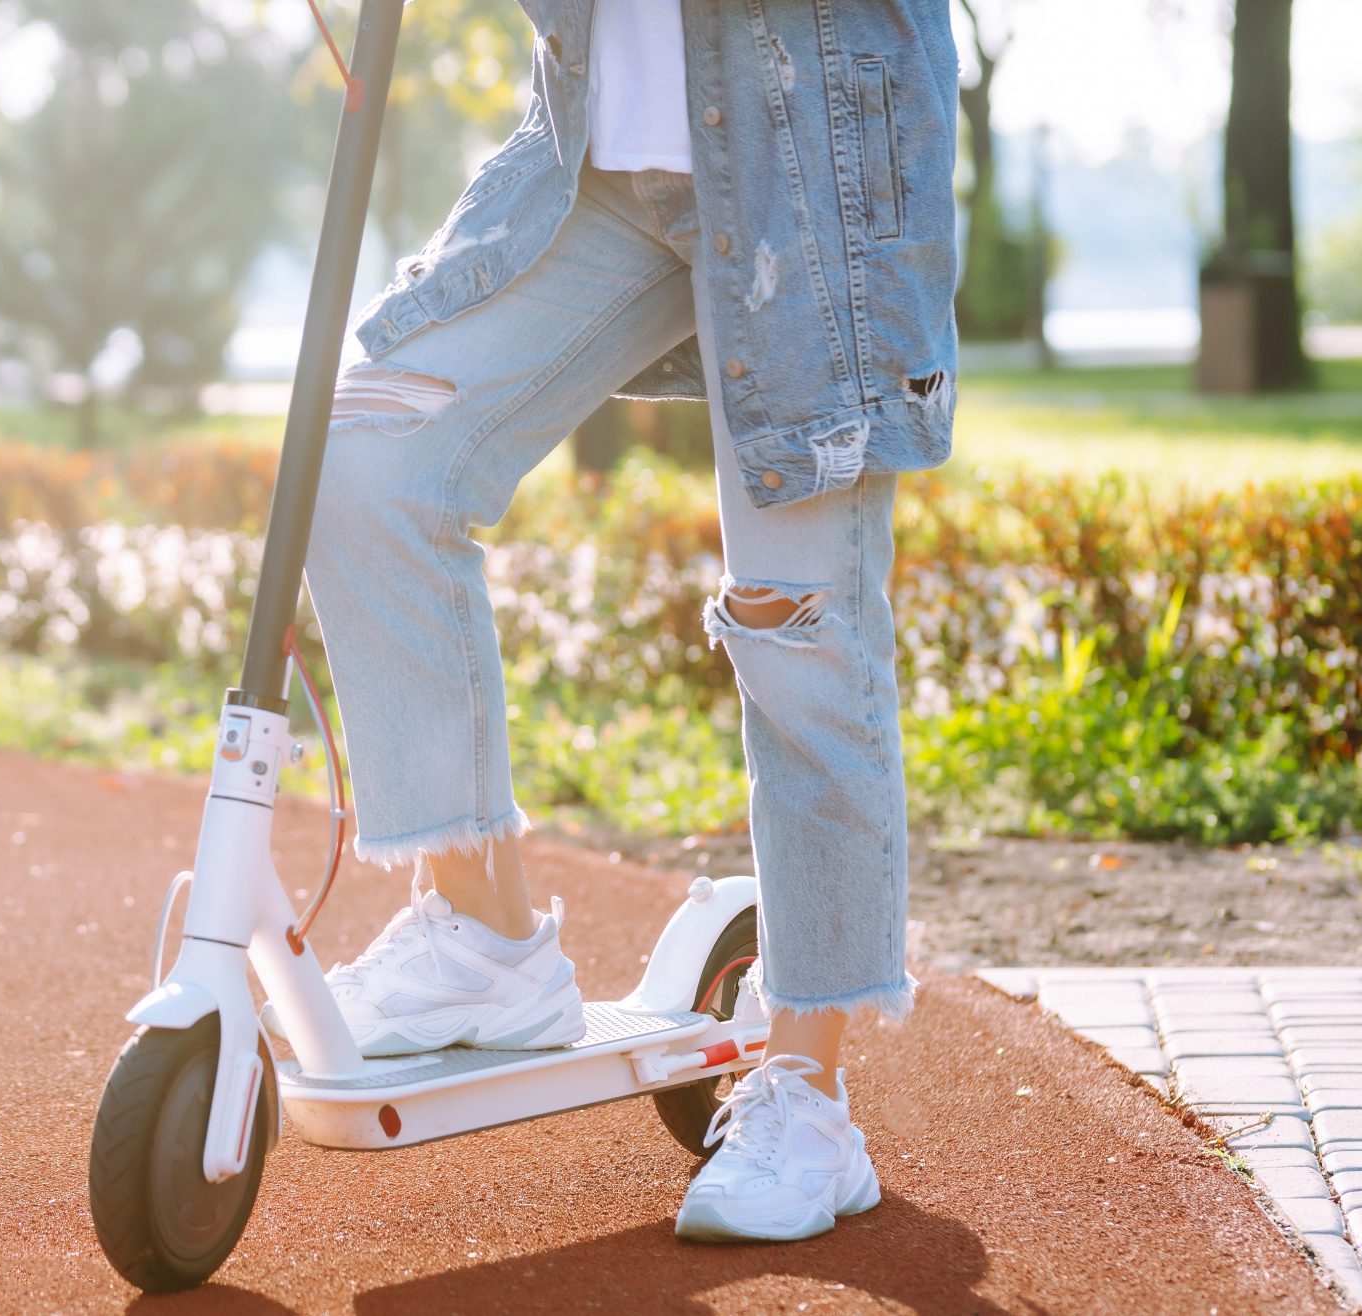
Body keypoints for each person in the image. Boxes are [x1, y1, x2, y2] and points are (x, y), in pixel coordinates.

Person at [292, 0, 956, 1243]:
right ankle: (486, 937)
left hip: (809, 174)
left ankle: (807, 1094)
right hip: (591, 165)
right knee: (366, 459)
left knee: (796, 622)